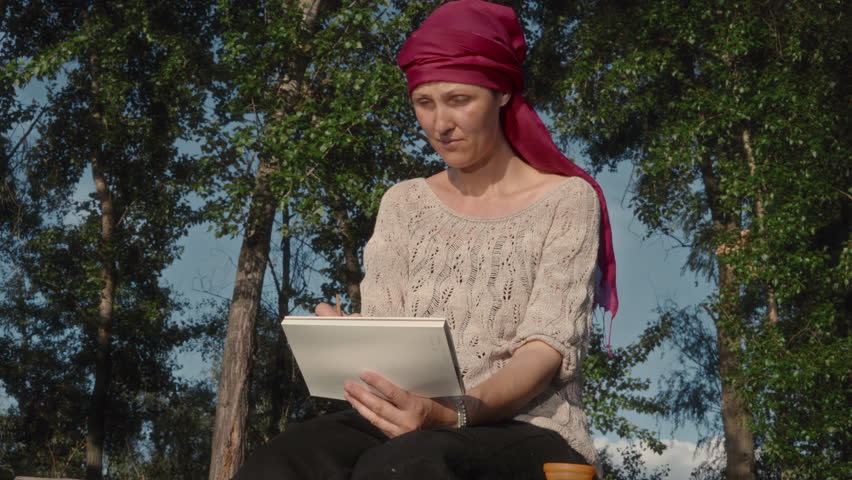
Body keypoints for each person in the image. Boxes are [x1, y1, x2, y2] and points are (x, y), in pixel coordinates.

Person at [232, 1, 618, 478]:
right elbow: (388, 334)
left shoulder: (567, 199)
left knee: (407, 465)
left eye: (459, 100)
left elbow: (544, 352)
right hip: (403, 418)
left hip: (524, 427)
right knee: (282, 459)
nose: (440, 124)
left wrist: (456, 411)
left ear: (501, 94)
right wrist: (349, 338)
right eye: (424, 103)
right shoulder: (404, 203)